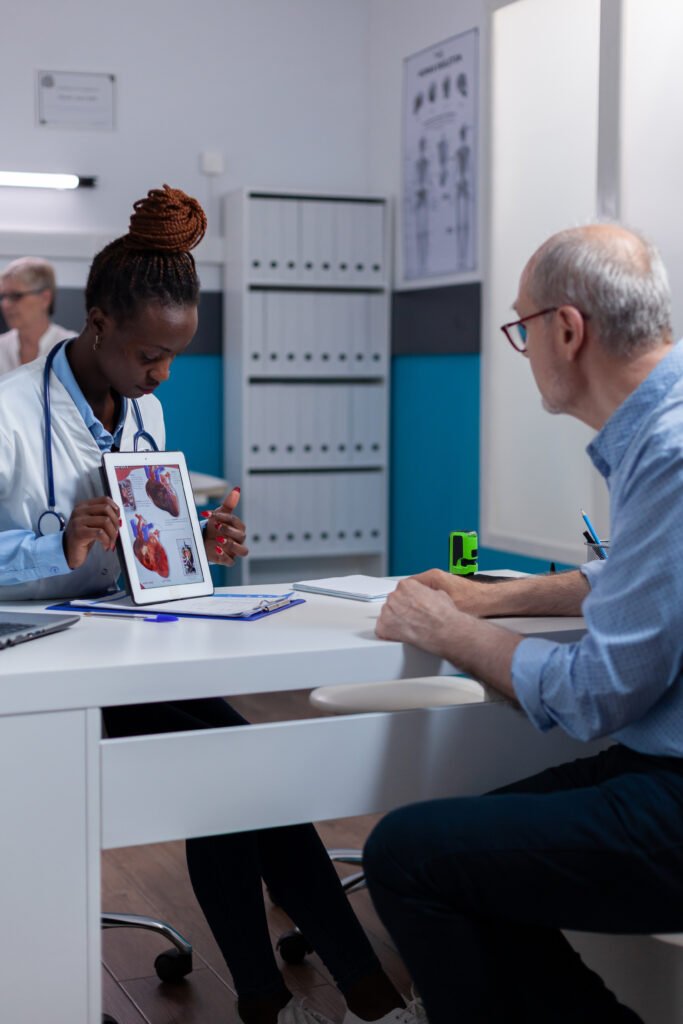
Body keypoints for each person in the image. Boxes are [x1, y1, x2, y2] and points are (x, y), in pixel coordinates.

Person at [0, 184, 421, 1024]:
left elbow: (147, 535)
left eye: (174, 359)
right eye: (150, 357)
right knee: (235, 773)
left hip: (120, 641)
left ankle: (273, 996)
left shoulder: (145, 410)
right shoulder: (8, 416)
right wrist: (59, 546)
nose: (162, 376)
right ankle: (348, 987)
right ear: (100, 327)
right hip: (37, 663)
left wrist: (192, 542)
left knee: (227, 775)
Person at [364, 224, 683, 1024]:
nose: (524, 347)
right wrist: (490, 600)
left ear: (567, 331)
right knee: (474, 831)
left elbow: (595, 693)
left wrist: (445, 629)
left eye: (521, 327)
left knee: (408, 857)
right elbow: (642, 575)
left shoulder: (671, 451)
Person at [0, 256, 73, 375]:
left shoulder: (70, 350)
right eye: (3, 297)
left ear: (45, 298)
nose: (5, 304)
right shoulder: (1, 347)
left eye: (15, 296)